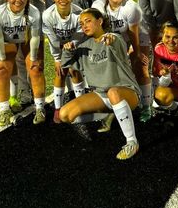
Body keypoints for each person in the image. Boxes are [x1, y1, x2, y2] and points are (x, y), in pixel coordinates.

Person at [59, 8, 141, 160]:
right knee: (65, 115)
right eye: (81, 23)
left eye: (88, 21)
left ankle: (131, 142)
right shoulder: (84, 46)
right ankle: (107, 115)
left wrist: (110, 39)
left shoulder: (115, 37)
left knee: (113, 92)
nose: (84, 25)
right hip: (101, 95)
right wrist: (68, 51)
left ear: (100, 21)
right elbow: (66, 64)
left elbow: (115, 42)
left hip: (126, 93)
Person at [92, 0, 152, 123]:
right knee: (109, 67)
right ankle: (113, 102)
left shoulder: (131, 8)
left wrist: (136, 53)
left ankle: (146, 106)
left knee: (140, 67)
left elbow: (133, 33)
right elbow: (100, 32)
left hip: (137, 34)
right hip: (113, 37)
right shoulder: (98, 7)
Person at [0, 0, 45, 126]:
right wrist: (2, 59)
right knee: (1, 70)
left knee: (35, 69)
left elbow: (34, 37)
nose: (18, 0)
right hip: (7, 41)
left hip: (27, 38)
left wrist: (33, 58)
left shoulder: (33, 12)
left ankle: (40, 108)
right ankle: (4, 110)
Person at [42, 0, 84, 123]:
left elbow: (79, 35)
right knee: (60, 73)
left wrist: (71, 47)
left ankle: (81, 106)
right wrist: (57, 58)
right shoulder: (48, 15)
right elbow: (53, 40)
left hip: (75, 45)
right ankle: (58, 109)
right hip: (58, 47)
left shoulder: (79, 14)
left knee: (75, 71)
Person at [19, 0, 50, 104]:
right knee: (21, 56)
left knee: (37, 55)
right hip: (18, 19)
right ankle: (25, 90)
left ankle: (37, 86)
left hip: (37, 17)